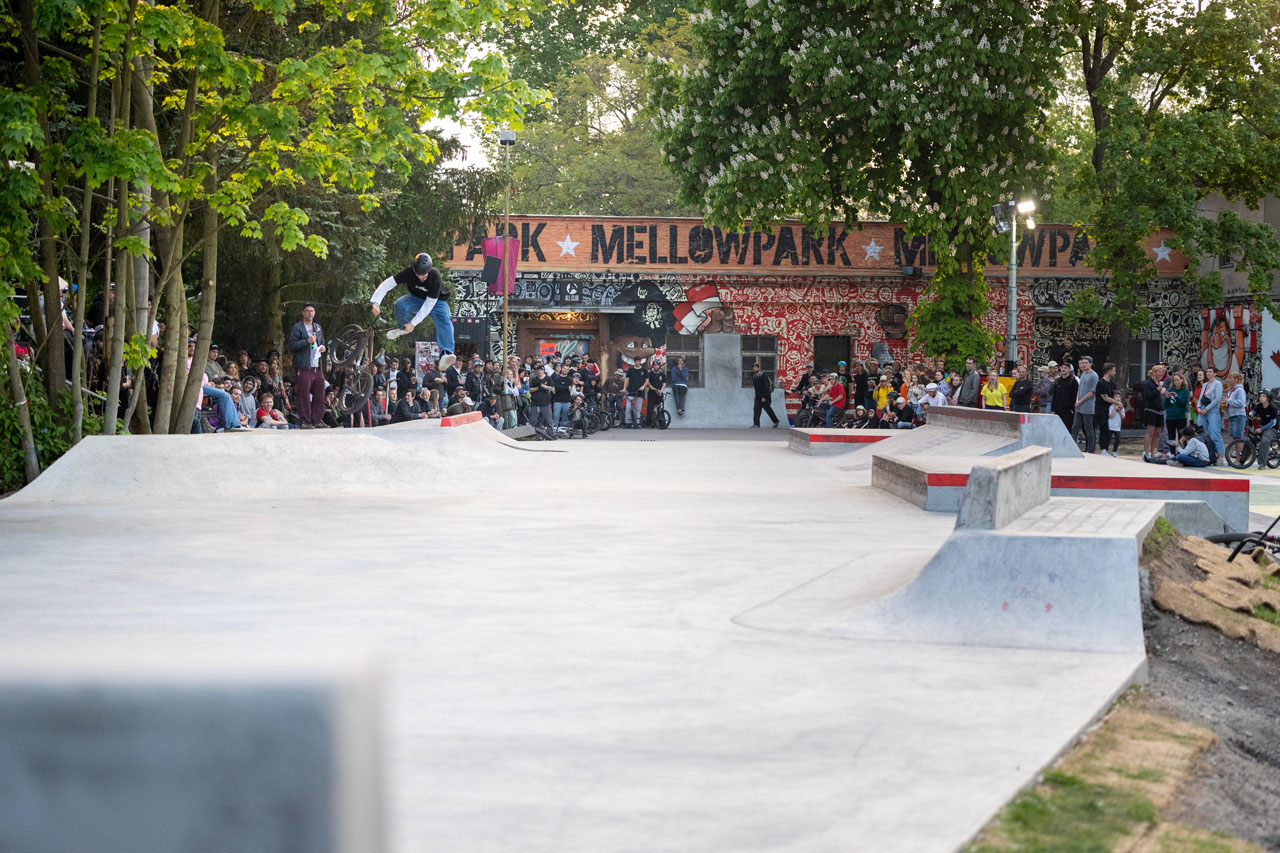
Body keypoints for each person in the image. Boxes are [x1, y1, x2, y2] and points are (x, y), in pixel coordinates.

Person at [368, 252, 457, 371]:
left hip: (437, 302)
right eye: (418, 274)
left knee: (444, 320)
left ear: (429, 271)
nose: (420, 277)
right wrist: (376, 302)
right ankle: (403, 328)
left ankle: (445, 353)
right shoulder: (408, 273)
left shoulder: (435, 276)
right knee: (400, 304)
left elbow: (428, 305)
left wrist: (414, 323)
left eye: (424, 275)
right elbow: (387, 284)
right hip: (416, 299)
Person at [287, 303, 328, 429]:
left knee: (320, 393)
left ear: (314, 312)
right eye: (307, 311)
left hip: (317, 366)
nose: (310, 313)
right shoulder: (298, 327)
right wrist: (306, 342)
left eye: (312, 311)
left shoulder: (317, 327)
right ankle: (305, 420)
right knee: (304, 394)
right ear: (303, 313)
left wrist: (323, 347)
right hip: (304, 366)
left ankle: (318, 419)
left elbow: (322, 342)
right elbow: (292, 345)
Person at [1196, 366, 1225, 464]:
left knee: (1215, 433)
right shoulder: (1205, 385)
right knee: (1202, 433)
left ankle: (1221, 456)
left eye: (1210, 372)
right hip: (1202, 409)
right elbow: (1200, 397)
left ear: (1215, 373)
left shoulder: (1217, 384)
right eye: (1207, 372)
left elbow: (1217, 399)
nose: (1208, 373)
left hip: (1212, 410)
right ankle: (1204, 454)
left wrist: (1207, 409)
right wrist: (1199, 407)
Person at [1141, 363, 1168, 463]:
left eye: (1162, 372)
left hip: (1160, 411)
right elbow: (1147, 396)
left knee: (1157, 433)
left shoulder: (1159, 383)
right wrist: (1156, 390)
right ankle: (1146, 452)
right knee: (1150, 432)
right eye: (1159, 372)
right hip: (1151, 410)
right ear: (1154, 372)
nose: (1161, 374)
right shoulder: (1149, 383)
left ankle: (1153, 452)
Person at [1072, 356, 1098, 453]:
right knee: (1075, 427)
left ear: (1090, 363)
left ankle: (1091, 449)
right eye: (1082, 363)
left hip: (1087, 405)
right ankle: (1072, 447)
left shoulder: (1094, 375)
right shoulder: (1083, 374)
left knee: (1088, 428)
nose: (1083, 365)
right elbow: (1079, 389)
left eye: (1086, 363)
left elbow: (1092, 392)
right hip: (1079, 405)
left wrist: (1081, 401)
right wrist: (1077, 400)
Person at [1095, 363, 1119, 457]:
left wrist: (1117, 402)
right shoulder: (1101, 383)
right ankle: (1103, 449)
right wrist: (1116, 402)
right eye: (1113, 370)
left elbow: (1115, 395)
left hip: (1110, 410)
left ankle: (1108, 449)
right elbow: (1105, 398)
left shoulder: (1112, 384)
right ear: (1108, 371)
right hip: (1101, 409)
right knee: (1104, 429)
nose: (1115, 372)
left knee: (1110, 430)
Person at [751, 362, 779, 428]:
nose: (754, 369)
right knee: (756, 410)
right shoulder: (754, 377)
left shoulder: (764, 376)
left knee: (768, 410)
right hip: (758, 397)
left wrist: (764, 397)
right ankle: (756, 424)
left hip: (765, 397)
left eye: (756, 367)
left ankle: (776, 421)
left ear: (759, 368)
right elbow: (756, 388)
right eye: (753, 368)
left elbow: (766, 387)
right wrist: (757, 397)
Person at [1164, 373, 1190, 443]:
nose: (1176, 382)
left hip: (1180, 416)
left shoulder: (1185, 391)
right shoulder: (1170, 389)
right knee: (1171, 436)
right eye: (1174, 380)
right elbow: (1165, 404)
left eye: (1178, 380)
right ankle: (1172, 453)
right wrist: (1166, 398)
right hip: (1170, 416)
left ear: (1182, 380)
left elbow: (1183, 403)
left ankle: (1181, 452)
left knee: (1181, 435)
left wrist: (1177, 397)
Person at [1051, 362, 1077, 432]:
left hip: (1068, 410)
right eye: (1062, 368)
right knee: (1057, 429)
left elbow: (1075, 396)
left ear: (1069, 369)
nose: (1063, 369)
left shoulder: (1073, 381)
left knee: (1067, 430)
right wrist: (1053, 410)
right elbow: (1054, 396)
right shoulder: (1057, 381)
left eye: (1065, 368)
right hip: (1058, 410)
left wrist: (1072, 409)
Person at [1256, 391, 1277, 469]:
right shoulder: (1259, 406)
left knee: (1264, 441)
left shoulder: (1272, 408)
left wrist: (1262, 429)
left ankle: (1262, 464)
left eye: (1264, 396)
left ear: (1268, 398)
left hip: (1271, 429)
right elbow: (1255, 411)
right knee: (1249, 438)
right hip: (1262, 427)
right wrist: (1252, 412)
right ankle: (1242, 461)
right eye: (1260, 396)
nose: (1261, 398)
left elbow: (1273, 422)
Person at [624, 360, 648, 429]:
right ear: (634, 362)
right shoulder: (630, 369)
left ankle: (637, 423)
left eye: (638, 361)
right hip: (631, 391)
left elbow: (647, 380)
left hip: (640, 392)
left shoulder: (644, 370)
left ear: (640, 362)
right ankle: (627, 423)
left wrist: (643, 386)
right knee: (628, 407)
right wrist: (624, 388)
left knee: (638, 408)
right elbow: (627, 379)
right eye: (636, 361)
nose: (637, 362)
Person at [1225, 372, 1247, 443]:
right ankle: (1237, 453)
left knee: (1238, 437)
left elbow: (1241, 403)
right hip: (1232, 415)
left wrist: (1228, 400)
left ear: (1236, 380)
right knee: (1235, 437)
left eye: (1230, 378)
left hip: (1238, 415)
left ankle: (1239, 453)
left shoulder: (1239, 390)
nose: (1228, 380)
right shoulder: (1231, 390)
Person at [646, 359, 666, 427]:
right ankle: (648, 423)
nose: (656, 366)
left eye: (657, 365)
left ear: (659, 366)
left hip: (660, 394)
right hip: (652, 393)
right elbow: (648, 383)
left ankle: (661, 424)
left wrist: (661, 390)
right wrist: (655, 389)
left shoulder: (662, 374)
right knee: (650, 409)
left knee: (660, 409)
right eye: (655, 365)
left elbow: (664, 383)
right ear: (653, 366)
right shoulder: (650, 374)